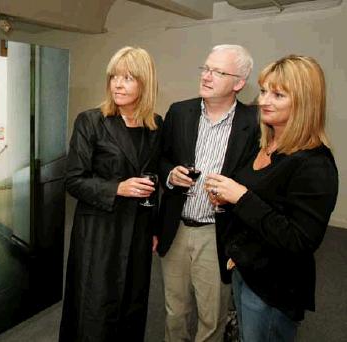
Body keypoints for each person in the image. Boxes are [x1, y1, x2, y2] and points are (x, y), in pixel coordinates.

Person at [205, 55, 338, 341]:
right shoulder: (265, 145)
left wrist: (240, 197)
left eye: (278, 94)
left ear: (305, 102)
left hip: (274, 286)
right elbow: (259, 205)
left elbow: (299, 239)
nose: (265, 100)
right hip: (246, 270)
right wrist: (227, 201)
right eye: (264, 91)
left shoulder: (314, 164)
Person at [153, 44, 260, 341]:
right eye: (206, 68)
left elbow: (260, 179)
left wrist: (234, 194)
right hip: (177, 226)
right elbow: (161, 158)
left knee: (211, 316)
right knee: (174, 311)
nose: (207, 76)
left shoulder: (254, 123)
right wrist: (170, 175)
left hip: (218, 232)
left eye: (218, 71)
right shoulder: (179, 111)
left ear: (239, 83)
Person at [59, 46, 163, 341]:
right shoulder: (91, 121)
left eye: (128, 78)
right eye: (114, 77)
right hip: (99, 232)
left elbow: (156, 180)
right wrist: (118, 187)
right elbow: (73, 180)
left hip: (138, 231)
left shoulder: (155, 126)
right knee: (95, 309)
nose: (118, 84)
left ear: (146, 83)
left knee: (132, 304)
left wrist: (154, 227)